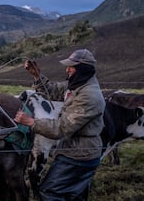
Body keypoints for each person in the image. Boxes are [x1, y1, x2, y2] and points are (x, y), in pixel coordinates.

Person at [14, 49, 105, 200]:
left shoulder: (89, 96)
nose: (67, 69)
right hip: (75, 151)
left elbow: (62, 128)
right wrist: (37, 75)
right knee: (74, 196)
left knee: (48, 193)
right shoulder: (77, 85)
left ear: (83, 69)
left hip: (79, 156)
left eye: (72, 66)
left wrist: (31, 122)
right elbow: (52, 91)